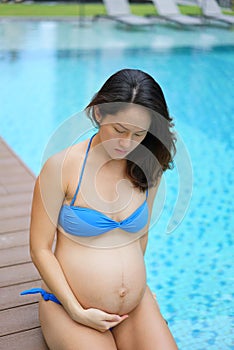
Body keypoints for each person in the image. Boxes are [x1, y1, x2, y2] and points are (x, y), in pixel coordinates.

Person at [21, 68, 178, 349]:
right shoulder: (62, 167)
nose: (127, 143)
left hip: (132, 308)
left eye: (139, 134)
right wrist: (75, 309)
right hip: (69, 305)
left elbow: (139, 237)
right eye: (119, 130)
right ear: (99, 114)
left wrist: (138, 288)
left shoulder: (147, 166)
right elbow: (40, 248)